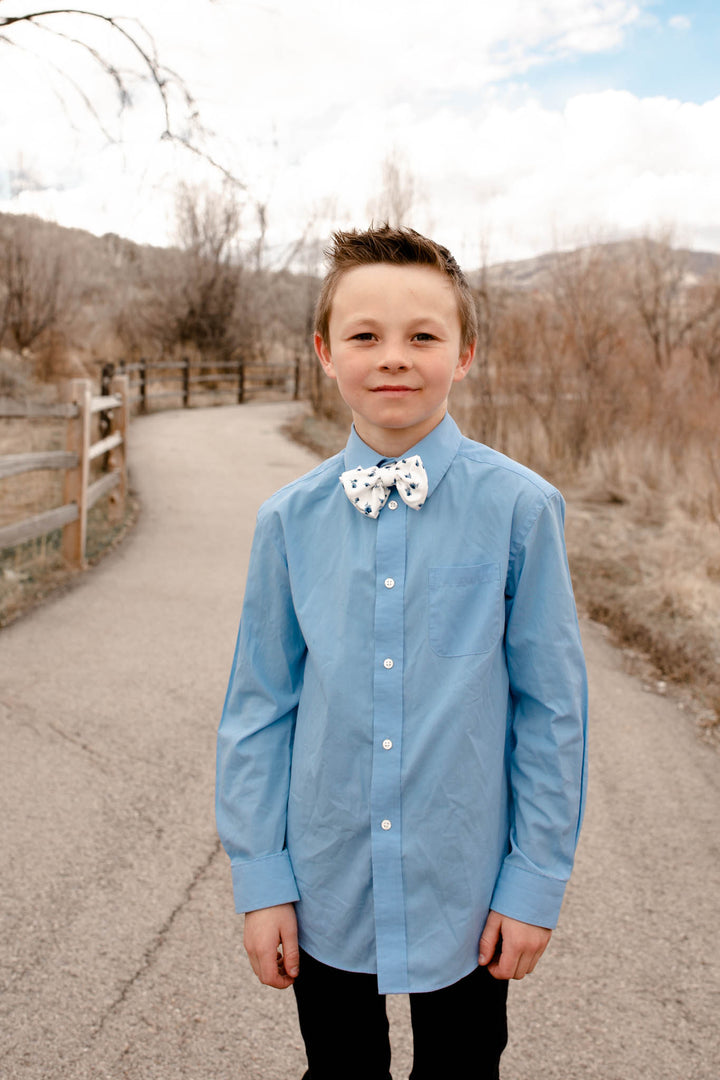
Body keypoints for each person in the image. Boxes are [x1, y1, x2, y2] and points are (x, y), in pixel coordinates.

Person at [216, 224, 588, 1080]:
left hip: (463, 883)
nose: (394, 357)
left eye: (423, 335)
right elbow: (258, 708)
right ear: (324, 352)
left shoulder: (521, 511)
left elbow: (553, 708)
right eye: (365, 336)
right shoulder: (287, 522)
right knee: (338, 1069)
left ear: (463, 354)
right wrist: (262, 880)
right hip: (325, 879)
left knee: (464, 1068)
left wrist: (533, 885)